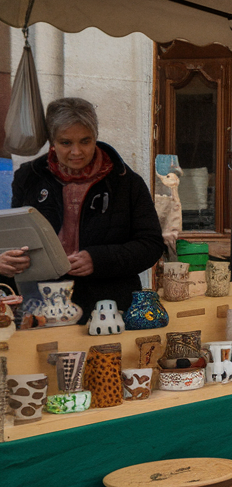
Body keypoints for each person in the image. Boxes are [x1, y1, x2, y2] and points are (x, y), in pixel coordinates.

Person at [3, 98, 165, 322]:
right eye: (66, 142)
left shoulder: (125, 182)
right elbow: (15, 237)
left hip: (107, 308)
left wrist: (98, 260)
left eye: (85, 141)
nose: (76, 151)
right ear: (52, 141)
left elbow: (151, 244)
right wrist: (5, 260)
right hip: (39, 306)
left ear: (95, 137)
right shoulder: (29, 178)